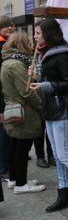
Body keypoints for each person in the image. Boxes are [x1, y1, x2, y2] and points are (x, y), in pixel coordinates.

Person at [27, 19, 68, 211]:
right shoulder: (45, 53)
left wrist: (44, 85)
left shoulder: (62, 55)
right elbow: (51, 79)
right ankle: (63, 192)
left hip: (62, 107)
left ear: (48, 34)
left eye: (38, 33)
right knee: (57, 154)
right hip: (50, 106)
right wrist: (37, 77)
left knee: (64, 154)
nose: (35, 36)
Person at [1, 31, 46, 194]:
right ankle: (21, 183)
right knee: (22, 148)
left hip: (13, 108)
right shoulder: (17, 64)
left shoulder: (8, 61)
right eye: (28, 42)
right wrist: (42, 106)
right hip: (24, 111)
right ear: (21, 45)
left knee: (14, 146)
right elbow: (26, 91)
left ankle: (14, 179)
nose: (31, 44)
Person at [0, 15, 15, 183]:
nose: (10, 28)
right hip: (2, 97)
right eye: (6, 26)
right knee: (4, 134)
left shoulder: (6, 44)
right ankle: (3, 169)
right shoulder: (2, 46)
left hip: (5, 95)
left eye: (11, 26)